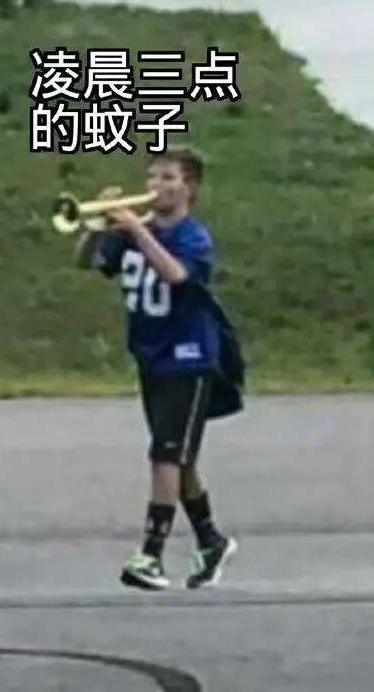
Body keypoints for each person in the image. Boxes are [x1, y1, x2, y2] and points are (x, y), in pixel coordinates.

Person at [76, 148, 243, 590]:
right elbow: (90, 263)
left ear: (189, 188)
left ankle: (151, 555)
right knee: (178, 457)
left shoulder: (193, 236)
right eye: (152, 176)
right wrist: (96, 228)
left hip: (188, 356)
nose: (155, 186)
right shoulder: (134, 232)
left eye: (168, 178)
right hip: (151, 356)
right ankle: (210, 540)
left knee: (166, 454)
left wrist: (137, 229)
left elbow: (177, 275)